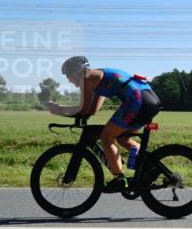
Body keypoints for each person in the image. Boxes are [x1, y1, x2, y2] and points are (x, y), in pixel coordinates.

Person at [49, 56, 162, 192]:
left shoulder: (87, 77)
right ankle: (151, 165)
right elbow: (92, 110)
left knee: (107, 137)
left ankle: (120, 179)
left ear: (76, 72)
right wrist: (68, 111)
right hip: (148, 100)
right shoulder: (98, 79)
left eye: (68, 76)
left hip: (137, 101)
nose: (68, 80)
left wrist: (59, 109)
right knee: (122, 138)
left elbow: (83, 109)